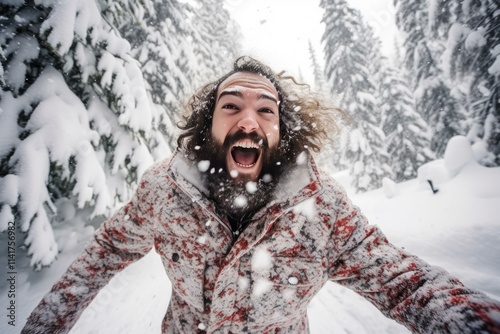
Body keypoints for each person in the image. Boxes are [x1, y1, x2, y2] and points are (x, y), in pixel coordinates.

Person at [23, 56, 500, 334]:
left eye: (265, 111)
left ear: (281, 131)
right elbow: (102, 254)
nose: (247, 122)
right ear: (207, 125)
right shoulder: (162, 189)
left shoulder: (323, 207)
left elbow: (405, 282)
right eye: (231, 107)